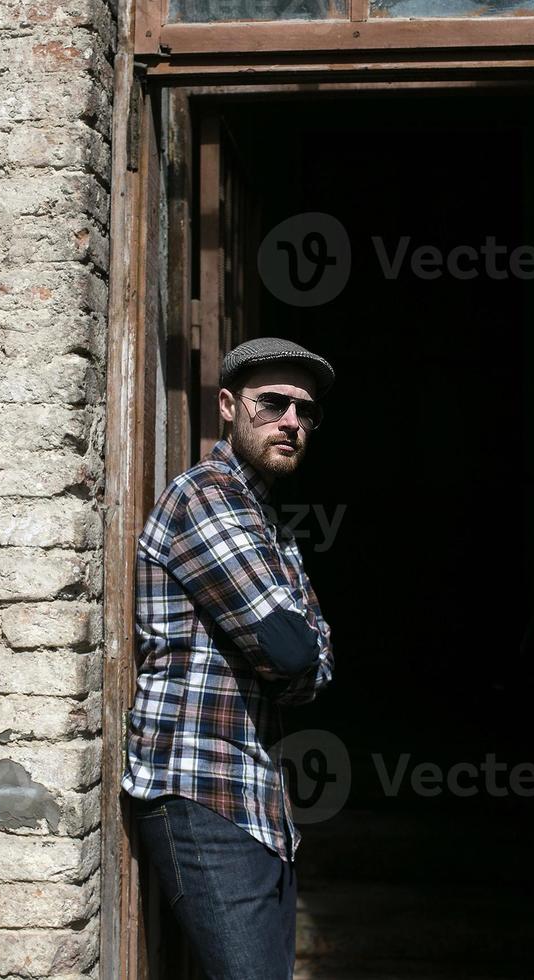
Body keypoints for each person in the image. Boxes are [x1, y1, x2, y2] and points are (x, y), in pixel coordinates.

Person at [122, 336, 337, 979]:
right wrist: (297, 651)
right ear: (228, 406)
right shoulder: (204, 498)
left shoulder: (267, 520)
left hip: (257, 798)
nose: (292, 422)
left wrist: (300, 653)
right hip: (202, 792)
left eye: (305, 411)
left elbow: (312, 671)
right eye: (272, 403)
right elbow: (293, 647)